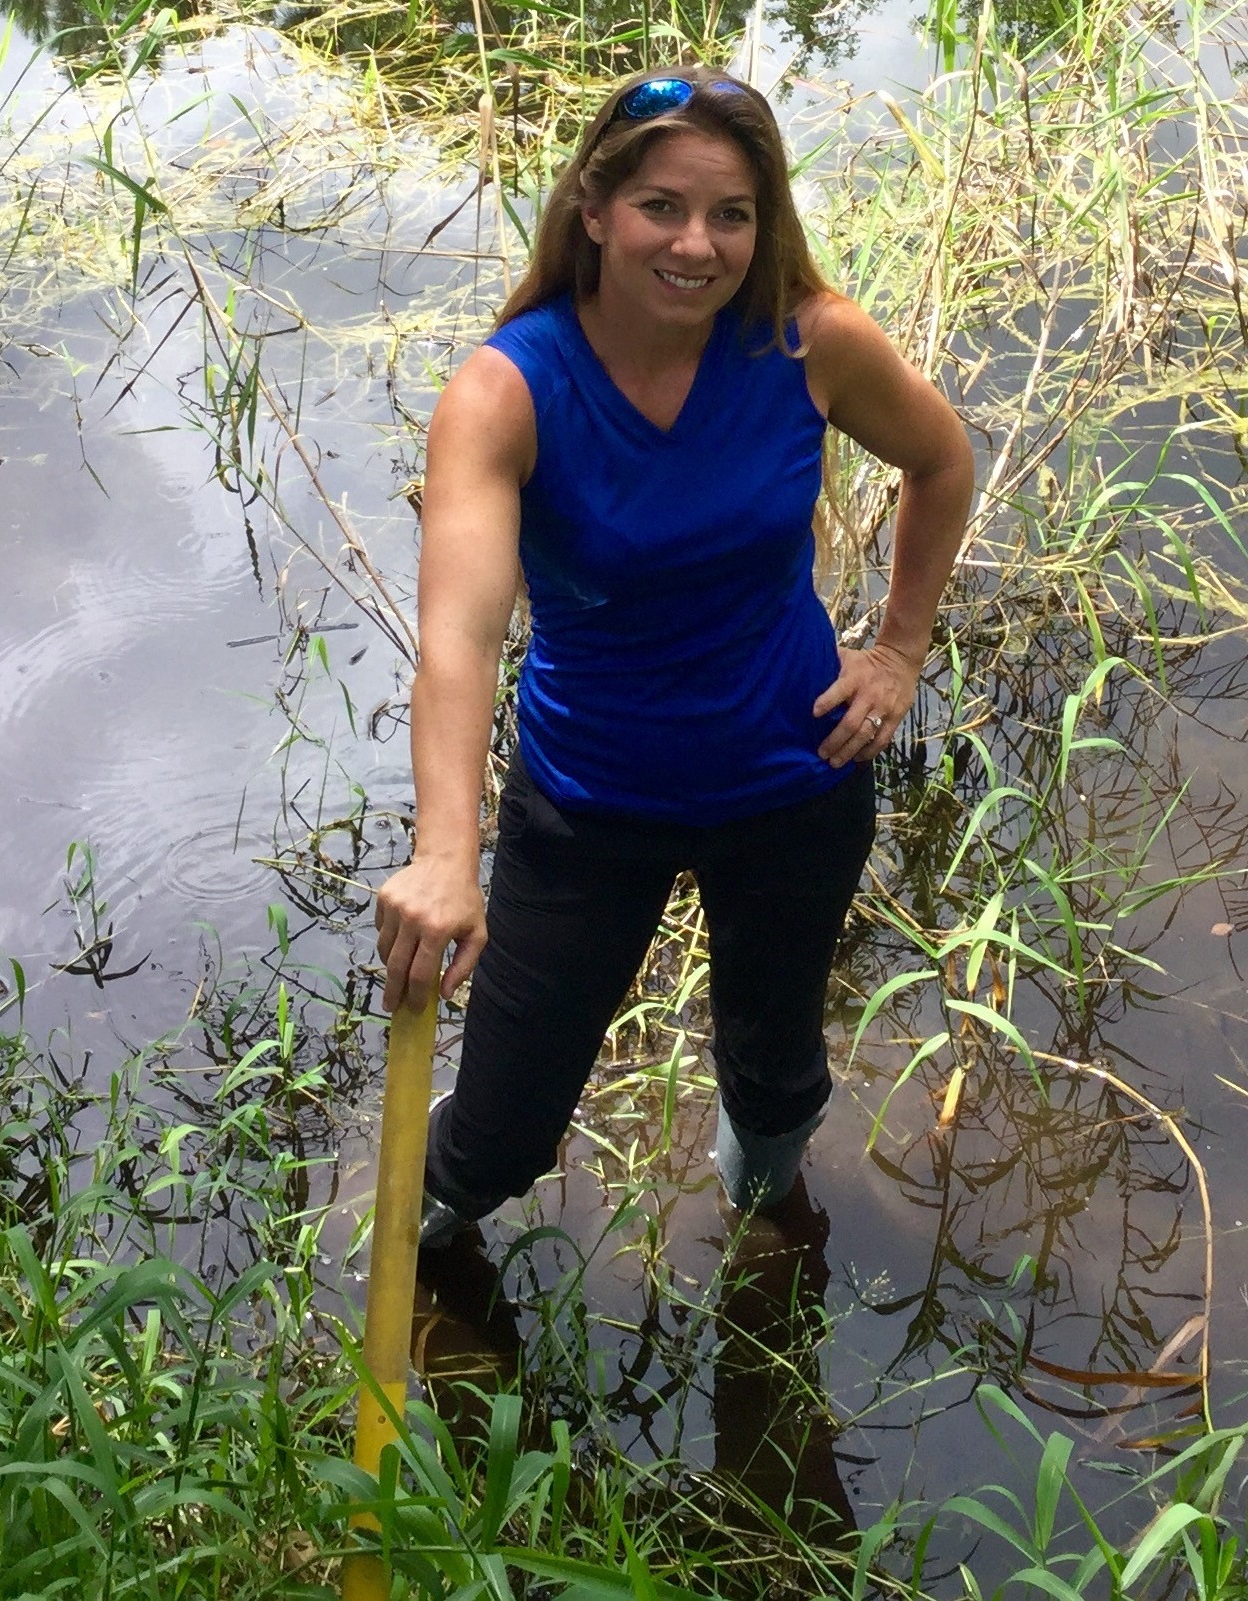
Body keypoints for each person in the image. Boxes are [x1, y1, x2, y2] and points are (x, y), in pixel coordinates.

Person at [374, 66, 974, 1246]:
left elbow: (941, 461)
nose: (697, 244)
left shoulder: (810, 343)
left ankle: (763, 1223)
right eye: (661, 206)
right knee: (502, 1120)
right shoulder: (506, 391)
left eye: (731, 215)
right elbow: (458, 635)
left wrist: (897, 649)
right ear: (593, 209)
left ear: (764, 223)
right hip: (591, 796)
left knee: (775, 1062)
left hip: (791, 780)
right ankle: (432, 1233)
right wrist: (446, 851)